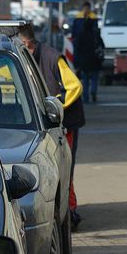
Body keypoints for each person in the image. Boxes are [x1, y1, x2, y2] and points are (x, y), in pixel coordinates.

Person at [19, 23, 86, 229]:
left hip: (64, 121)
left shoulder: (52, 57)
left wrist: (55, 106)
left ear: (27, 43)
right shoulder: (25, 58)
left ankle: (71, 211)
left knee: (64, 168)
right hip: (44, 122)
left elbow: (75, 86)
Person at [73, 1, 104, 103]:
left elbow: (77, 47)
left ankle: (85, 97)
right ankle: (93, 92)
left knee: (85, 79)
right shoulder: (95, 34)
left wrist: (76, 61)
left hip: (84, 59)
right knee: (94, 77)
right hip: (95, 59)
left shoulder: (80, 35)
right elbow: (102, 45)